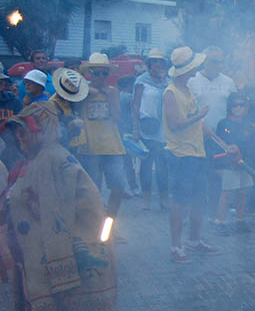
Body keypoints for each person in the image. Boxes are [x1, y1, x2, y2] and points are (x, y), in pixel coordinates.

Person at [1, 101, 118, 311]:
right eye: (18, 133)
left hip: (50, 263)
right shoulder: (40, 159)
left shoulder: (51, 160)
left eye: (24, 132)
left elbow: (56, 217)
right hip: (37, 262)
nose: (20, 139)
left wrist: (60, 266)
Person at [163, 46, 222, 263]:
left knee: (199, 199)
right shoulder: (171, 92)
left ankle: (194, 241)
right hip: (181, 155)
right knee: (180, 201)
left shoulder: (188, 90)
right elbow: (175, 124)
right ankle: (176, 246)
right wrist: (199, 116)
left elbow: (200, 125)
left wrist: (221, 142)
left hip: (197, 152)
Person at [68, 55, 127, 224]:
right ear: (89, 73)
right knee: (93, 190)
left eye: (104, 73)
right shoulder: (82, 92)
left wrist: (110, 97)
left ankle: (110, 224)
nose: (100, 76)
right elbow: (73, 107)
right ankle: (95, 225)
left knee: (118, 187)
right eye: (96, 73)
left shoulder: (113, 91)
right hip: (89, 147)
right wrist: (87, 93)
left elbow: (117, 117)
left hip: (112, 146)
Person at [213, 93, 255, 234]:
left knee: (243, 192)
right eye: (235, 105)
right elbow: (220, 143)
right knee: (227, 193)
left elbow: (254, 145)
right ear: (230, 107)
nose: (238, 108)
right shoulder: (224, 123)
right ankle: (220, 222)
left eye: (241, 105)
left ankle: (240, 220)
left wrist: (254, 164)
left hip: (246, 163)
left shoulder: (249, 124)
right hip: (230, 163)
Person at [132, 48, 170, 210]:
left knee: (163, 167)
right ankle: (146, 199)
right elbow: (136, 105)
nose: (158, 65)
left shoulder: (168, 82)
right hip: (147, 128)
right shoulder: (142, 81)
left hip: (164, 129)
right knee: (146, 166)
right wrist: (135, 128)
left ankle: (163, 199)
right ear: (149, 64)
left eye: (161, 62)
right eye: (155, 61)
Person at [187, 46, 237, 133]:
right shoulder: (191, 81)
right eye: (215, 62)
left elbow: (235, 108)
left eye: (221, 62)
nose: (219, 65)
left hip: (223, 134)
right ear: (204, 61)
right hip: (197, 133)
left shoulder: (229, 82)